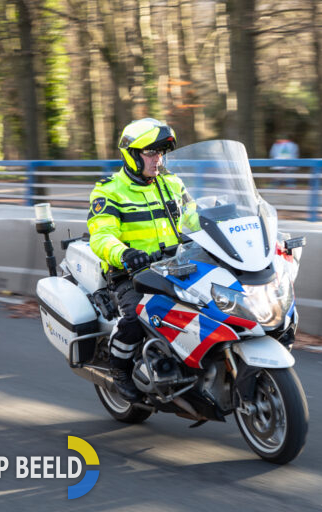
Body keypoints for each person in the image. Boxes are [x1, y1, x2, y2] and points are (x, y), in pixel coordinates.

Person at [87, 118, 188, 401]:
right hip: (132, 273)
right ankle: (119, 370)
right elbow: (101, 236)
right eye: (151, 153)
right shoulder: (109, 190)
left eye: (161, 153)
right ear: (132, 155)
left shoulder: (172, 184)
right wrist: (124, 254)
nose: (158, 159)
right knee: (135, 316)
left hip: (176, 265)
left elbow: (196, 216)